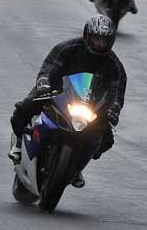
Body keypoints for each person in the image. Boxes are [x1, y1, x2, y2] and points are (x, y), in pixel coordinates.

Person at [8, 14, 126, 189]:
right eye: (96, 38)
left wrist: (113, 109)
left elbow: (117, 91)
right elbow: (48, 67)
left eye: (104, 40)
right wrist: (44, 84)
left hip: (90, 104)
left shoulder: (114, 64)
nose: (100, 44)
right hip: (57, 90)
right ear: (87, 35)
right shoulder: (68, 48)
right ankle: (19, 142)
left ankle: (76, 166)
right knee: (25, 107)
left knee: (106, 138)